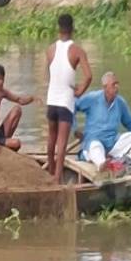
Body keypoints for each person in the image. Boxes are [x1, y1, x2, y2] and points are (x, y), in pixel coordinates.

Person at [45, 14, 93, 185]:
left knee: (51, 139)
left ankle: (49, 173)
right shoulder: (77, 50)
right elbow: (89, 76)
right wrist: (80, 91)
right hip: (65, 102)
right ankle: (57, 178)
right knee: (62, 143)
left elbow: (50, 74)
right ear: (72, 28)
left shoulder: (50, 50)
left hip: (51, 100)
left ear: (58, 28)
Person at [75, 72, 131, 171]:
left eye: (117, 84)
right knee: (95, 146)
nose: (117, 87)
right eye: (113, 84)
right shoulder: (92, 98)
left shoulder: (120, 103)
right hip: (94, 141)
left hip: (111, 144)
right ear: (105, 87)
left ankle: (109, 156)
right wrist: (75, 129)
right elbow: (73, 106)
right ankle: (101, 164)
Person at [0, 63, 38, 153]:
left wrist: (32, 98)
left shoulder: (1, 92)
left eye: (2, 79)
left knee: (17, 109)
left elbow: (19, 100)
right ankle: (4, 144)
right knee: (17, 143)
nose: (1, 82)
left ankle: (5, 142)